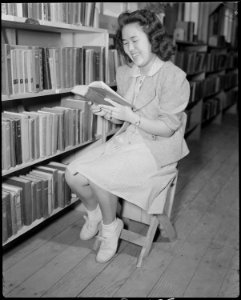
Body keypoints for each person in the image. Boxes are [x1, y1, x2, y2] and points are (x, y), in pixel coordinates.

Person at [65, 9, 190, 263]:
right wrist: (107, 111)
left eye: (135, 40)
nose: (130, 48)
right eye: (125, 42)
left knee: (101, 175)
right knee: (73, 175)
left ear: (153, 39)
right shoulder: (126, 73)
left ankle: (111, 230)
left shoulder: (173, 77)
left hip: (157, 147)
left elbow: (167, 127)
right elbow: (122, 116)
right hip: (127, 140)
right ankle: (95, 214)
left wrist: (130, 116)